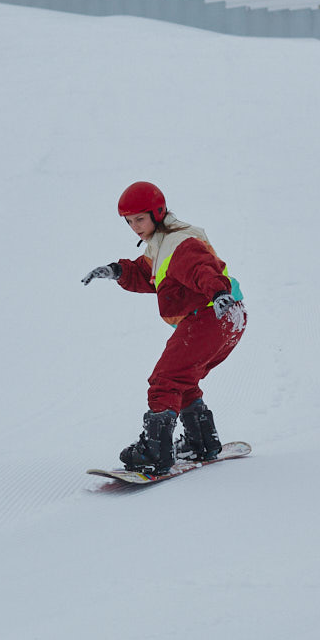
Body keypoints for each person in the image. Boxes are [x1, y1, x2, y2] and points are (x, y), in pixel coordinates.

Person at [82, 181, 246, 474]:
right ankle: (201, 441)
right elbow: (147, 274)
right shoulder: (163, 244)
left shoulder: (180, 244)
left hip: (212, 313)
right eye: (128, 221)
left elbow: (200, 269)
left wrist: (218, 292)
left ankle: (155, 452)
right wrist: (117, 271)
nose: (134, 226)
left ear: (157, 212)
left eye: (139, 219)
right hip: (226, 317)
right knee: (183, 379)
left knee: (165, 380)